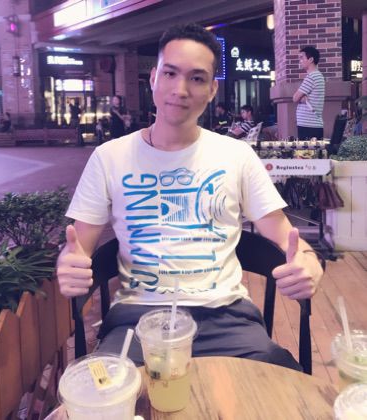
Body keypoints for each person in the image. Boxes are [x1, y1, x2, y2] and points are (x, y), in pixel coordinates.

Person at [57, 23, 324, 371]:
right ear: (154, 78)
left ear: (212, 89)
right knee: (108, 390)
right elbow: (78, 249)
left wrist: (308, 261)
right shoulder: (109, 157)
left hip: (227, 317)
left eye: (197, 78)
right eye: (170, 73)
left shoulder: (236, 155)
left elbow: (286, 237)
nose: (180, 90)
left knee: (279, 387)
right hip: (136, 320)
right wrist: (69, 264)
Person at [292, 46, 325, 140]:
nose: (300, 61)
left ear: (311, 59)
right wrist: (303, 99)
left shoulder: (312, 77)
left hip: (309, 126)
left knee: (306, 150)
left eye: (302, 57)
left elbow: (295, 98)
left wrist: (303, 99)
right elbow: (299, 98)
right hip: (312, 125)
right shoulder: (317, 75)